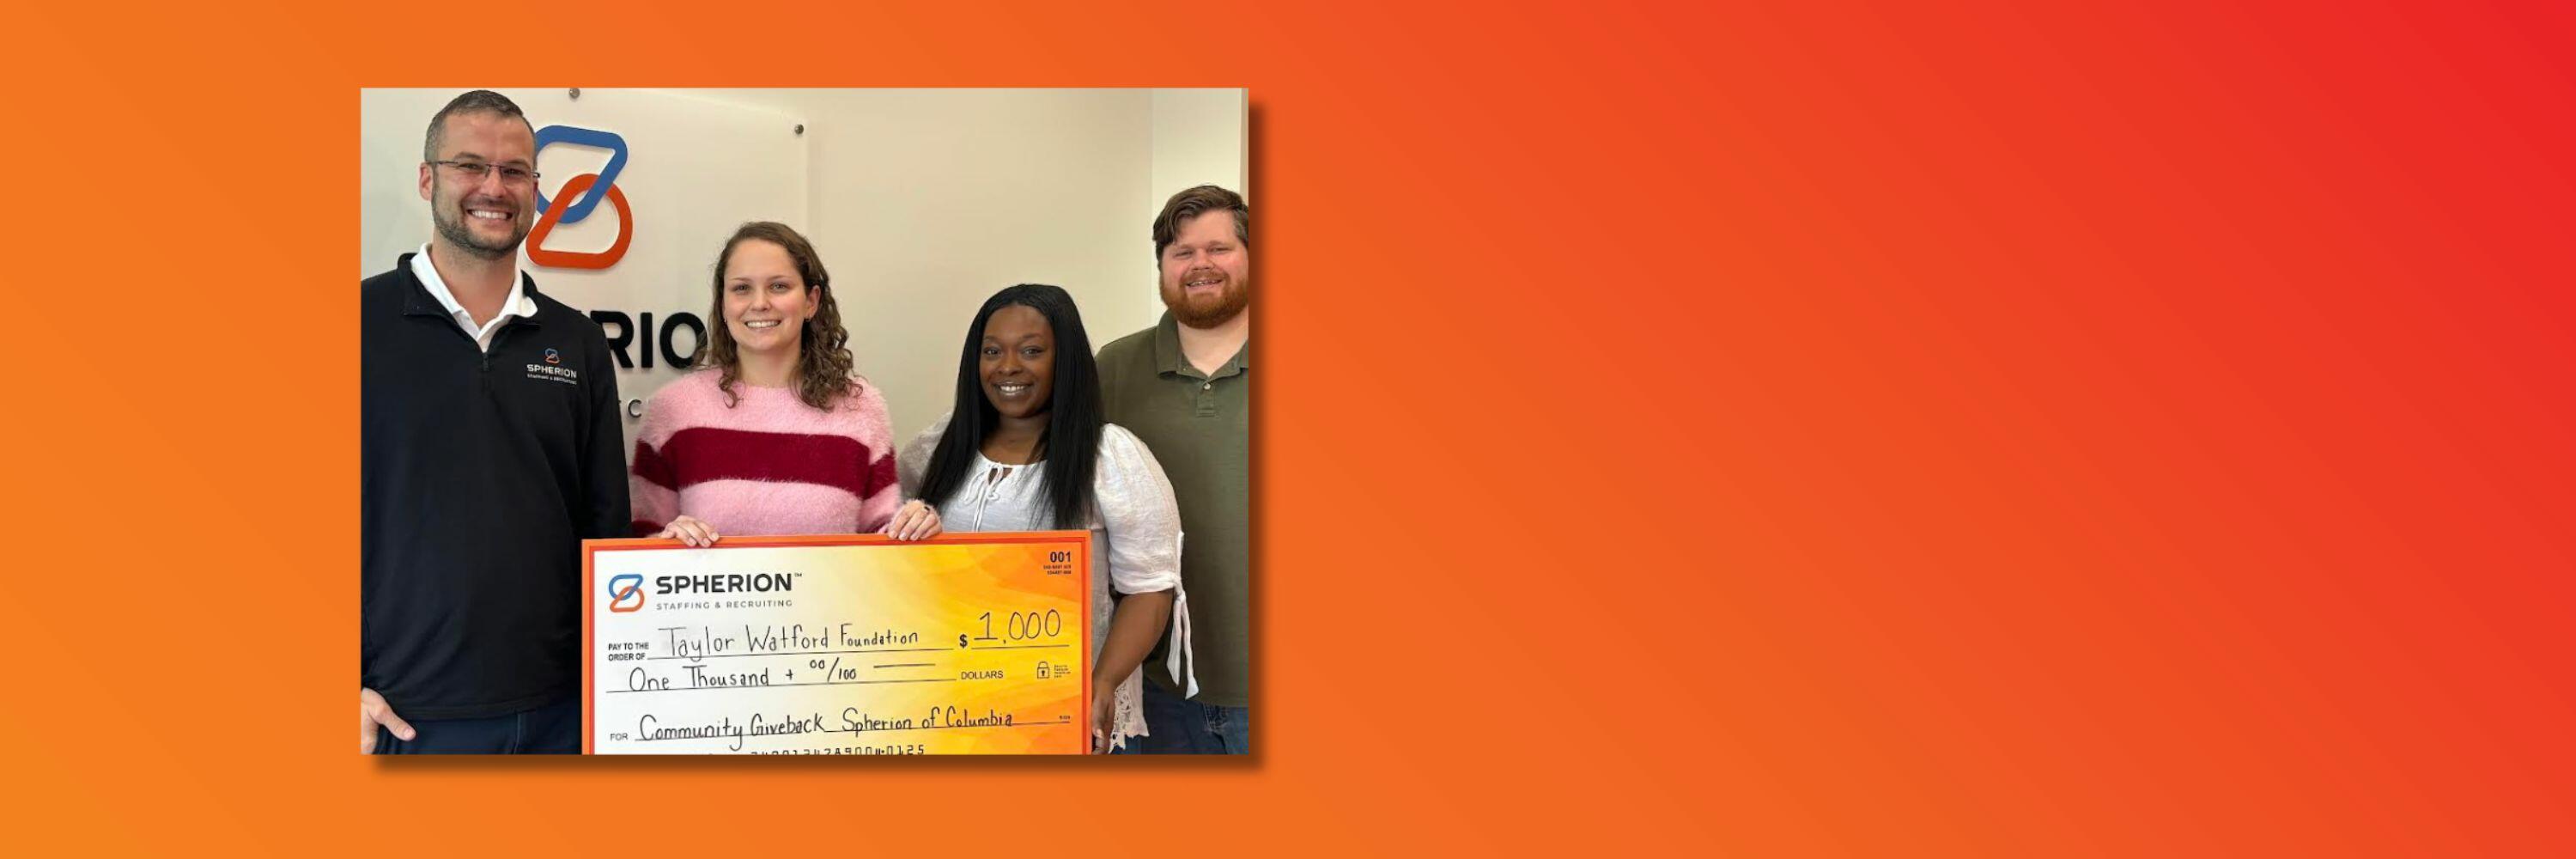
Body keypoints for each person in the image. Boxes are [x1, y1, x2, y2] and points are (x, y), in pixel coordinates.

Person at [361, 90, 630, 754]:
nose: (494, 187)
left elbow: (605, 526)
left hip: (563, 713)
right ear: (428, 178)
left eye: (515, 171)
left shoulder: (576, 342)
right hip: (405, 716)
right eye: (469, 165)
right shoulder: (355, 323)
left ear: (537, 190)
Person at [900, 284, 1190, 753]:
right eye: (992, 351)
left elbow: (1150, 589)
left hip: (1068, 713)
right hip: (957, 707)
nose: (1008, 367)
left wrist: (1102, 682)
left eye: (1031, 351)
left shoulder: (1110, 456)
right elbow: (888, 540)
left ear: (1066, 360)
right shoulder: (938, 448)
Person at [629, 222, 939, 545]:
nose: (760, 303)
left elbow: (884, 539)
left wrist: (913, 525)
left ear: (811, 301)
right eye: (741, 288)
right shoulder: (674, 410)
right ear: (723, 304)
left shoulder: (862, 409)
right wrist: (662, 542)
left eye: (778, 286)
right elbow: (640, 540)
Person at [1097, 185, 1251, 753]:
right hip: (1158, 689)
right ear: (1161, 267)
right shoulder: (1114, 367)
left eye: (1219, 249)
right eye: (1182, 252)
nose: (1200, 265)